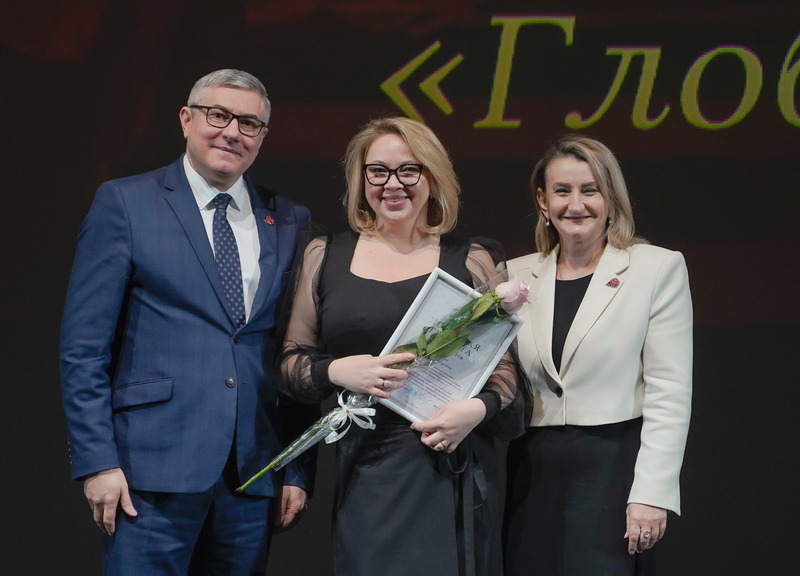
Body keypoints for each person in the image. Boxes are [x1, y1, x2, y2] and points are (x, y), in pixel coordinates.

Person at [59, 69, 315, 576]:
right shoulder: (126, 203)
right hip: (148, 472)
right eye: (218, 116)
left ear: (262, 136)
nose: (232, 132)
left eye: (248, 123)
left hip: (252, 473)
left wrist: (297, 467)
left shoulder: (289, 219)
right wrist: (97, 461)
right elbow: (83, 350)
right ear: (186, 119)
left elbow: (296, 348)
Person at [276, 117, 525, 576]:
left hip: (451, 465)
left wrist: (476, 411)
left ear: (433, 176)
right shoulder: (325, 254)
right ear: (361, 179)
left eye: (409, 170)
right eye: (378, 171)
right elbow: (291, 362)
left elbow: (505, 373)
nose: (393, 184)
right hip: (367, 471)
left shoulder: (471, 259)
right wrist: (336, 371)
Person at [502, 133, 693, 575]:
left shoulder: (656, 269)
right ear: (543, 201)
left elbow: (670, 391)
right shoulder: (513, 276)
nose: (576, 204)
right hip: (532, 471)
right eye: (562, 191)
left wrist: (652, 493)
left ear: (611, 199)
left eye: (590, 190)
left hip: (614, 470)